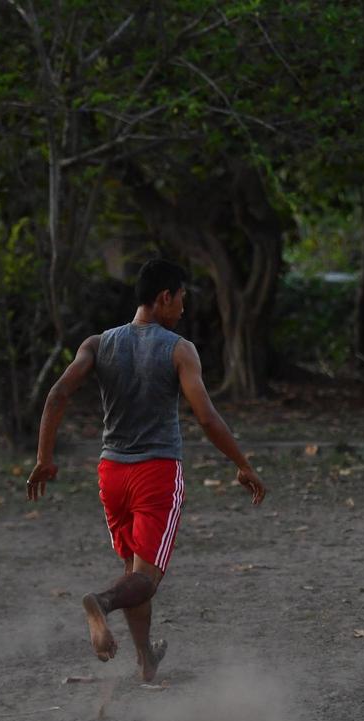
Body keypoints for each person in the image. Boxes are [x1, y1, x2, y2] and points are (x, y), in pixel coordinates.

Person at [26, 259, 266, 681]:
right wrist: (242, 463)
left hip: (111, 474)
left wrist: (44, 458)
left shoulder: (98, 344)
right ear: (164, 298)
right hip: (156, 473)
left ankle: (144, 660)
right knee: (146, 579)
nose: (184, 309)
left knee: (135, 572)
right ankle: (100, 603)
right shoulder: (178, 348)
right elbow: (207, 417)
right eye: (181, 299)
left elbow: (57, 394)